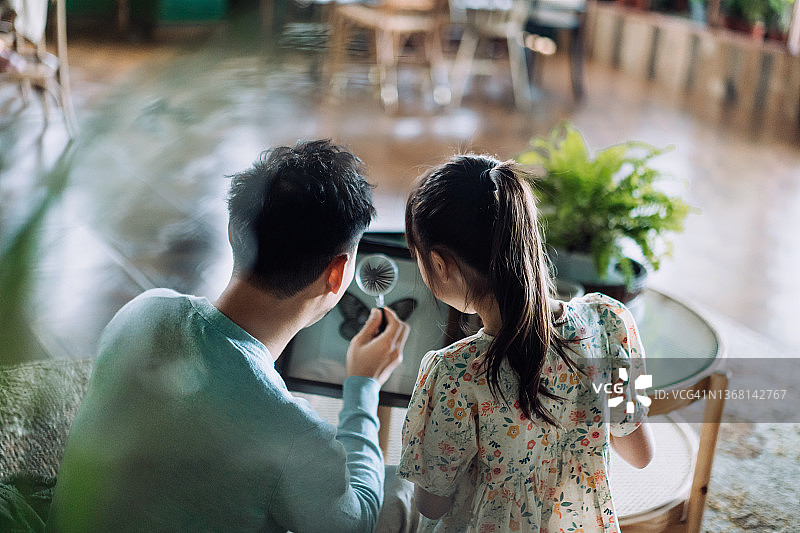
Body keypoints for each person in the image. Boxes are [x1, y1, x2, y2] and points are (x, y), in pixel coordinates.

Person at [47, 140, 411, 533]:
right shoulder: (296, 437)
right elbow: (355, 524)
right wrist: (363, 386)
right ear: (337, 274)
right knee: (399, 489)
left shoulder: (143, 310)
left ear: (233, 233)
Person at [398, 154, 654, 532]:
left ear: (439, 263)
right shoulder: (610, 323)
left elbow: (432, 504)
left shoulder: (453, 373)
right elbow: (640, 454)